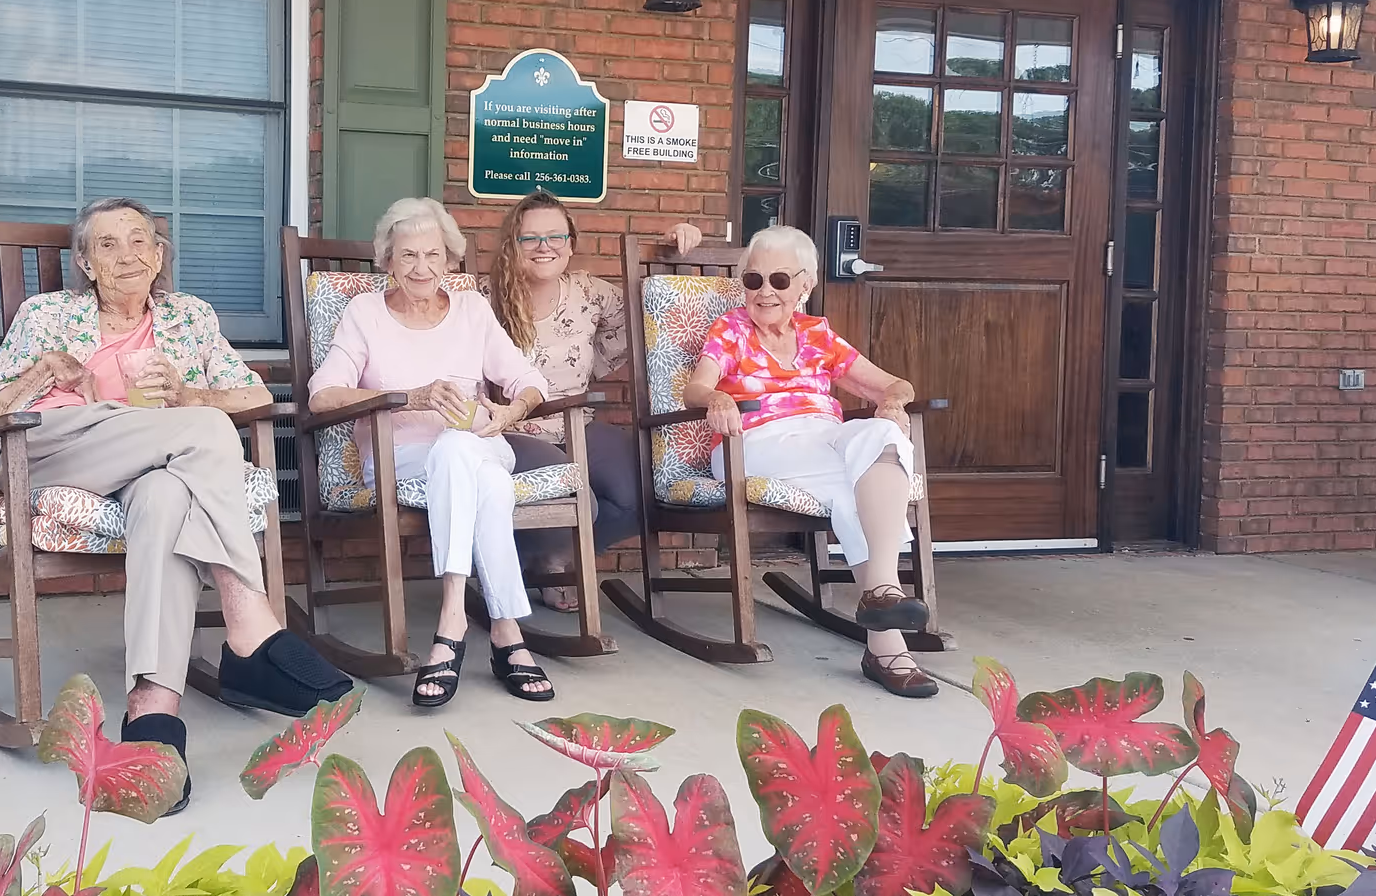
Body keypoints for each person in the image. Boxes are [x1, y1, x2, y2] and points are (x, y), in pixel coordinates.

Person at [0, 197, 352, 812]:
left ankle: (153, 708)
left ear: (159, 255)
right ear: (84, 262)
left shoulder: (189, 317)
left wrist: (189, 391)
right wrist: (42, 372)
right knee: (208, 430)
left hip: (152, 462)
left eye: (140, 240)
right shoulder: (46, 314)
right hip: (54, 454)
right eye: (106, 244)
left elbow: (250, 394)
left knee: (167, 492)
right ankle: (251, 624)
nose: (128, 253)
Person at [307, 197, 557, 709]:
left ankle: (452, 619)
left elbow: (530, 381)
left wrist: (508, 415)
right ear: (388, 262)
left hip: (484, 446)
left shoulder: (471, 310)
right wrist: (412, 396)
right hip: (401, 458)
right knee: (473, 471)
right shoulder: (366, 314)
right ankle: (507, 634)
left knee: (461, 449)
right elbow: (322, 394)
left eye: (433, 255)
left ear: (449, 259)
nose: (422, 268)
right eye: (407, 256)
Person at [680, 224, 936, 699]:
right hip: (753, 443)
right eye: (753, 280)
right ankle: (887, 629)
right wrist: (715, 397)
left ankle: (882, 610)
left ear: (806, 284)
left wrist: (894, 404)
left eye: (779, 280)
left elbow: (895, 384)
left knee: (878, 439)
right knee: (862, 482)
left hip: (823, 441)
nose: (764, 292)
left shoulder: (819, 334)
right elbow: (696, 387)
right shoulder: (732, 328)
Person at [482, 189, 702, 611]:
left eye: (555, 237)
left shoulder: (589, 293)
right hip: (513, 429)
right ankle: (527, 562)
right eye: (530, 238)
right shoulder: (486, 297)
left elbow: (647, 315)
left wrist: (673, 247)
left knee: (645, 488)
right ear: (513, 245)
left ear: (571, 243)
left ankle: (554, 558)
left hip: (576, 422)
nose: (544, 247)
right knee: (582, 500)